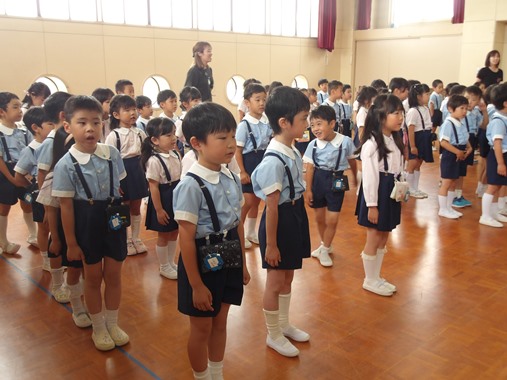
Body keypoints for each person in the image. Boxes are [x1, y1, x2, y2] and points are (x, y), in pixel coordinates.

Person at [173, 102, 250, 380]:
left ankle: (216, 374)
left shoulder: (229, 176)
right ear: (197, 143)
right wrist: (195, 285)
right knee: (201, 328)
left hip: (229, 257)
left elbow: (238, 224)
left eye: (233, 136)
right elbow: (185, 238)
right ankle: (202, 376)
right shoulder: (190, 185)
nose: (231, 144)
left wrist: (242, 264)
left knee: (220, 322)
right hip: (201, 264)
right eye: (222, 138)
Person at [53, 95, 129, 351]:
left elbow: (119, 189)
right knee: (93, 277)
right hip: (86, 220)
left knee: (114, 275)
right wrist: (71, 243)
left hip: (113, 218)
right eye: (82, 122)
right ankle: (98, 326)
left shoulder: (112, 154)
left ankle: (112, 322)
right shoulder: (66, 164)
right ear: (68, 126)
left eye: (96, 122)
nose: (90, 129)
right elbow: (65, 207)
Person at [251, 86, 311, 358]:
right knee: (275, 281)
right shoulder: (274, 161)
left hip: (294, 216)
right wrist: (271, 246)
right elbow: (271, 209)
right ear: (284, 123)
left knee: (288, 275)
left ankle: (284, 323)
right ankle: (272, 333)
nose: (307, 123)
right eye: (303, 118)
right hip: (280, 222)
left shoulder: (292, 149)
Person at [355, 94, 405, 297]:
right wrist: (372, 205)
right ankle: (369, 279)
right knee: (374, 236)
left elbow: (398, 169)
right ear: (381, 116)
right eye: (395, 113)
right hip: (377, 194)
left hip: (391, 191)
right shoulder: (372, 145)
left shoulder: (394, 139)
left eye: (401, 112)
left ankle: (376, 276)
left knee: (384, 234)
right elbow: (369, 179)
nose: (400, 117)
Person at [47, 126, 90, 327]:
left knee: (88, 271)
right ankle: (77, 307)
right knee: (74, 269)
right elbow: (51, 211)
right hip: (67, 233)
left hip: (86, 228)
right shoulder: (56, 173)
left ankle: (89, 304)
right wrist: (56, 238)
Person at [303, 106, 357, 267]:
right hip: (318, 179)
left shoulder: (345, 141)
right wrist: (308, 189)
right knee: (319, 218)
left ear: (332, 123)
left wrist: (355, 177)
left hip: (337, 180)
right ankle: (324, 244)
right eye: (312, 125)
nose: (315, 129)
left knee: (332, 219)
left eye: (319, 124)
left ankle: (325, 249)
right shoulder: (313, 145)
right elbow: (310, 168)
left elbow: (352, 160)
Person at [35, 91, 72, 303]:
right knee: (56, 240)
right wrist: (47, 205)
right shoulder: (52, 141)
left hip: (69, 198)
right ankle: (58, 284)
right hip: (54, 195)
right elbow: (43, 175)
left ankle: (70, 282)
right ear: (63, 114)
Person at [105, 95, 148, 256]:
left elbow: (145, 153)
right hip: (122, 172)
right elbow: (109, 161)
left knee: (136, 207)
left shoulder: (139, 133)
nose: (132, 113)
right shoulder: (114, 135)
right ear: (116, 115)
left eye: (134, 109)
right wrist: (115, 182)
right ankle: (126, 239)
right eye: (127, 110)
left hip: (137, 170)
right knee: (124, 206)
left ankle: (136, 238)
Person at [14, 107, 53, 269]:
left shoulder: (54, 144)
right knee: (44, 229)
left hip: (56, 191)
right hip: (41, 193)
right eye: (50, 124)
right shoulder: (30, 150)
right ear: (35, 128)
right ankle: (46, 260)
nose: (54, 127)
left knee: (57, 228)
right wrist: (33, 187)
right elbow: (18, 175)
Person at [141, 117, 181, 279]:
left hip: (176, 197)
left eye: (173, 134)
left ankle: (171, 262)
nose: (173, 138)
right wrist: (158, 210)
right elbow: (154, 187)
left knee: (174, 231)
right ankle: (164, 265)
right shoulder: (154, 161)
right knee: (164, 234)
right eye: (168, 135)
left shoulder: (176, 155)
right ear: (155, 140)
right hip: (163, 199)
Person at [235, 83, 271, 250]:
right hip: (249, 162)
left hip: (262, 161)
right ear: (247, 103)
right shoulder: (244, 125)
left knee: (256, 201)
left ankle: (250, 232)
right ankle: (238, 233)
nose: (262, 103)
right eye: (257, 100)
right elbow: (238, 150)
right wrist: (242, 171)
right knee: (248, 201)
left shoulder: (266, 122)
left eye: (264, 99)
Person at [0, 92, 34, 254]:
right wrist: (11, 179)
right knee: (4, 206)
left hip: (23, 171)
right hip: (6, 173)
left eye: (20, 107)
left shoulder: (23, 130)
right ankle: (3, 240)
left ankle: (33, 234)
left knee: (27, 202)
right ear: (2, 112)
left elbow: (30, 151)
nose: (20, 110)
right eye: (15, 107)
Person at [437, 95, 473, 219]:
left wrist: (469, 147)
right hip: (450, 154)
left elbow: (465, 137)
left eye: (466, 108)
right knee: (446, 182)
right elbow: (443, 142)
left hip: (459, 152)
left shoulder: (460, 122)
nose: (464, 111)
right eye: (461, 108)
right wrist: (457, 152)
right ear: (451, 109)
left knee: (453, 181)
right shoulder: (448, 123)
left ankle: (449, 207)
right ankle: (442, 209)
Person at [480, 82, 507, 227]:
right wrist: (501, 163)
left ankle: (495, 212)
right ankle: (485, 215)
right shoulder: (498, 121)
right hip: (498, 156)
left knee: (498, 185)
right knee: (492, 186)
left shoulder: (504, 118)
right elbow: (497, 144)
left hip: (503, 155)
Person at [405, 84, 433, 198]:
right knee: (412, 164)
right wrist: (412, 146)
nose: (428, 96)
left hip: (425, 137)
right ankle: (409, 188)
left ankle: (415, 188)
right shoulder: (413, 111)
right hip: (417, 138)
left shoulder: (425, 108)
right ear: (418, 96)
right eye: (426, 94)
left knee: (419, 164)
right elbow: (410, 130)